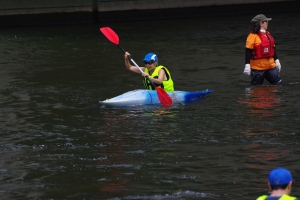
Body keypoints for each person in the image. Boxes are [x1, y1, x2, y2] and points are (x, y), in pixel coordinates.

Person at [243, 14, 282, 85]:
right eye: (266, 21)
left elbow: (273, 49)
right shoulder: (252, 36)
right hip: (258, 68)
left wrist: (277, 60)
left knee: (279, 84)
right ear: (261, 23)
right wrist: (247, 65)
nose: (268, 23)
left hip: (270, 66)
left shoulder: (268, 34)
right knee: (257, 89)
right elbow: (248, 52)